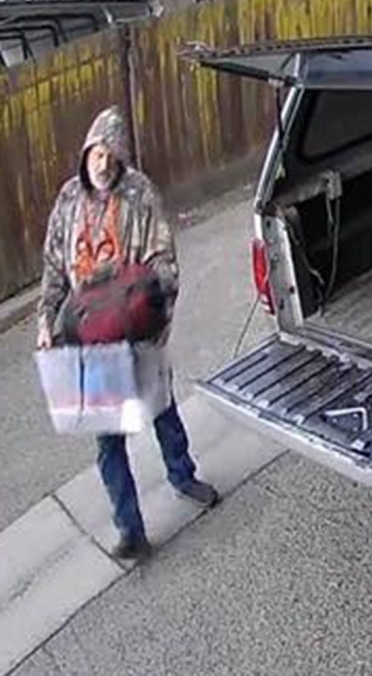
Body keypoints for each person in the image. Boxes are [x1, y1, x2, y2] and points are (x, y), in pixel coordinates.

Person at [37, 106, 219, 560]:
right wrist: (46, 319)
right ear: (86, 153)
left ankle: (182, 475)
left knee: (161, 409)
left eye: (110, 155)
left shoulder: (141, 194)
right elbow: (54, 268)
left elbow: (164, 258)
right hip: (91, 341)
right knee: (108, 439)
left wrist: (156, 314)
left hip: (137, 331)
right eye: (95, 153)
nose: (102, 163)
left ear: (120, 158)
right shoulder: (68, 201)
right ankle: (130, 528)